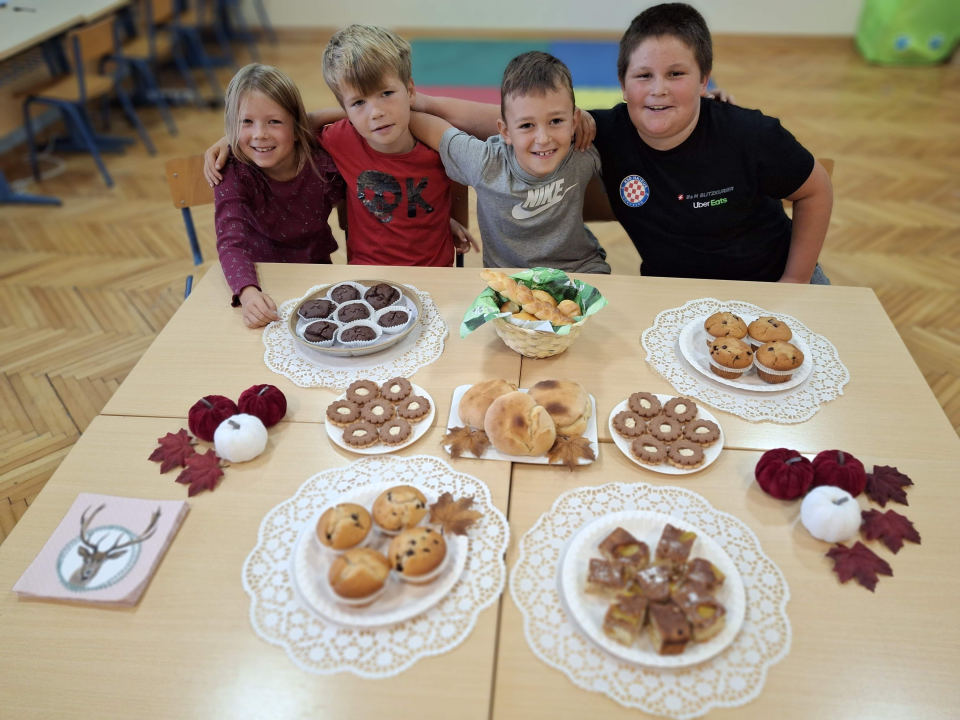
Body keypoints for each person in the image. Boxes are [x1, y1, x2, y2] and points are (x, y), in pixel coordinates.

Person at [590, 3, 833, 283]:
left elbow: (816, 190)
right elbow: (539, 125)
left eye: (676, 74)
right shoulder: (600, 132)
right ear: (623, 84)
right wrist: (576, 118)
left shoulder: (750, 133)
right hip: (675, 295)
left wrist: (794, 282)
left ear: (704, 80)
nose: (658, 90)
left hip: (773, 282)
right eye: (644, 76)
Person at [204, 25, 476, 270]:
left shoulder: (440, 144)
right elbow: (288, 131)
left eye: (387, 94)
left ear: (411, 91)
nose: (376, 113)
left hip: (436, 274)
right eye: (358, 103)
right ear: (345, 109)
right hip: (364, 276)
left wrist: (441, 222)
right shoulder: (339, 139)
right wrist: (230, 138)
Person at [408, 51, 610, 273]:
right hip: (508, 281)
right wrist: (400, 103)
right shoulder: (485, 162)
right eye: (526, 125)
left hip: (581, 270)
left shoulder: (584, 148)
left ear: (574, 122)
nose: (543, 139)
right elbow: (425, 126)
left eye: (556, 121)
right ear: (505, 131)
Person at [214, 63, 345, 328]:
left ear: (298, 128)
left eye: (274, 121)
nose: (260, 134)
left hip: (319, 279)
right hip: (260, 282)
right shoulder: (233, 170)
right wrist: (248, 293)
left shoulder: (324, 163)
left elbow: (357, 118)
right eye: (246, 122)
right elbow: (230, 242)